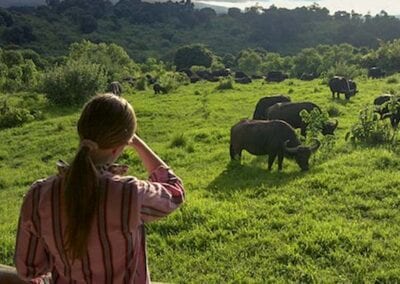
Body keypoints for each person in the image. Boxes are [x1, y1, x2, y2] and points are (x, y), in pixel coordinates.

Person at [14, 93, 185, 283]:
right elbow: (175, 192)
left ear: (81, 132)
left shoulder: (38, 195)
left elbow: (28, 269)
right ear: (120, 146)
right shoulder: (130, 193)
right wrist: (138, 143)